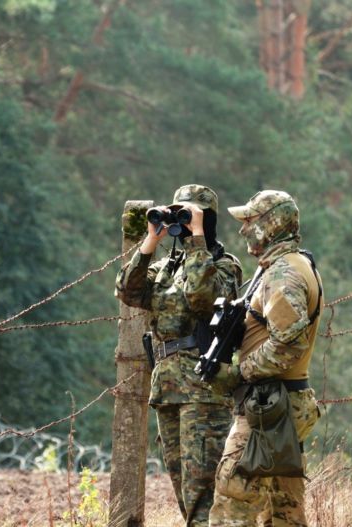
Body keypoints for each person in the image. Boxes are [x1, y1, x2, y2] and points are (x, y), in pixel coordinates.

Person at [115, 184, 243, 527]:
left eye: (189, 216)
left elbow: (203, 299)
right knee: (184, 494)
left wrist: (197, 239)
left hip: (203, 389)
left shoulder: (223, 265)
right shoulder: (166, 267)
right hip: (168, 388)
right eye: (179, 216)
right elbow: (128, 291)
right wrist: (151, 240)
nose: (182, 224)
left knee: (203, 495)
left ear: (207, 220)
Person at [208, 190, 324, 527]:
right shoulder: (292, 265)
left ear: (271, 225)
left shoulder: (283, 274)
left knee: (233, 500)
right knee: (283, 509)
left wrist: (239, 373)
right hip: (282, 402)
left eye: (250, 221)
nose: (243, 229)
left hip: (271, 406)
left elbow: (288, 346)